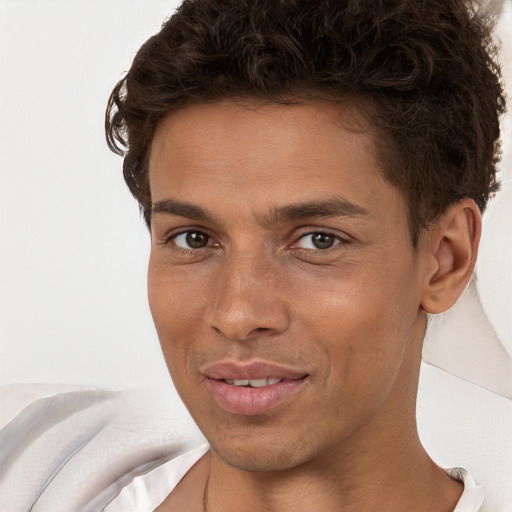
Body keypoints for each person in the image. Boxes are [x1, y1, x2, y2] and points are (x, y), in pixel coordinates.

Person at [0, 0, 508, 511]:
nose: (237, 314)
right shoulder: (32, 465)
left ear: (446, 260)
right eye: (194, 239)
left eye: (317, 240)